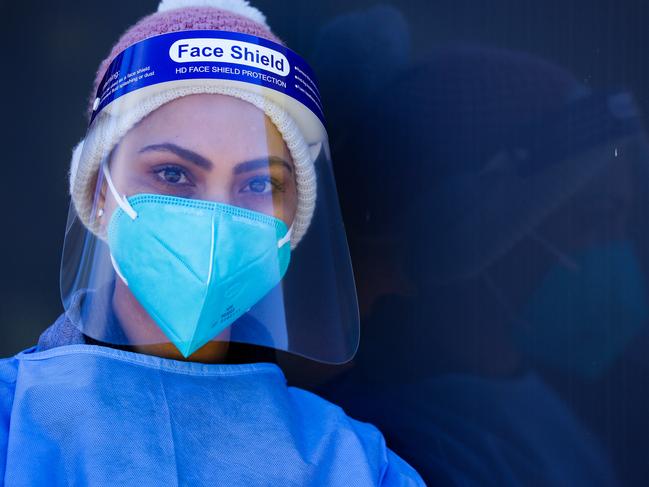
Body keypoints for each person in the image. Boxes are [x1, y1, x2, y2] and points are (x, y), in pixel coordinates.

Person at [0, 1, 425, 485]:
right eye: (173, 173)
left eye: (260, 184)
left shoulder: (358, 465)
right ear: (99, 192)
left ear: (294, 220)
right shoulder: (12, 424)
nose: (217, 220)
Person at [319, 44, 649, 485]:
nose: (617, 252)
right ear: (468, 233)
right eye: (597, 217)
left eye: (624, 220)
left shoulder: (529, 403)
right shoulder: (399, 449)